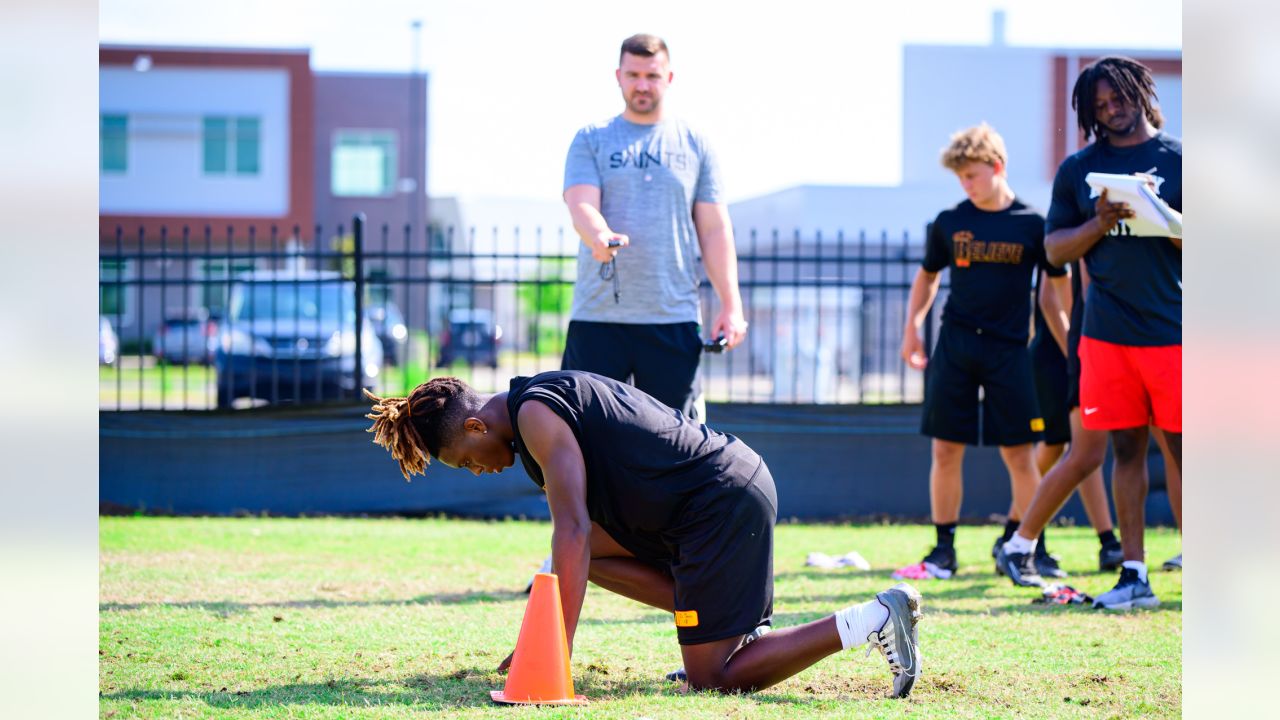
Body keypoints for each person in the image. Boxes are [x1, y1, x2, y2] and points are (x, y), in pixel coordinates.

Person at [363, 372, 924, 697]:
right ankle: (722, 625)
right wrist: (533, 643)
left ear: (476, 426)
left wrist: (551, 653)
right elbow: (584, 543)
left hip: (720, 501)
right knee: (588, 558)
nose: (477, 471)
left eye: (466, 461)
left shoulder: (535, 415)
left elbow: (575, 529)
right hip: (702, 505)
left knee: (713, 680)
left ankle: (874, 617)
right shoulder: (531, 412)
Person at [995, 56, 1181, 610]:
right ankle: (1133, 574)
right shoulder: (1080, 170)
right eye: (1098, 105)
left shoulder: (1181, 159)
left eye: (1118, 99)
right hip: (1106, 335)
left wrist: (1162, 217)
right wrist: (1100, 221)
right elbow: (1053, 249)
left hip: (1175, 330)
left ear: (1141, 93)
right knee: (1124, 452)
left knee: (1185, 451)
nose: (1110, 110)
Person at [894, 123, 1062, 581]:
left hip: (1010, 352)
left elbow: (1054, 292)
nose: (966, 185)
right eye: (960, 178)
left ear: (997, 167)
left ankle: (1029, 549)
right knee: (946, 450)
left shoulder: (1033, 224)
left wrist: (1068, 345)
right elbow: (927, 277)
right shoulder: (950, 222)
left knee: (1020, 456)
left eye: (972, 175)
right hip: (957, 345)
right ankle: (943, 550)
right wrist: (911, 328)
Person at [560, 33, 748, 421]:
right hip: (598, 318)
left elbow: (714, 230)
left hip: (672, 317)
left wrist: (732, 305)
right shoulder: (591, 139)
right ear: (618, 75)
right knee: (585, 435)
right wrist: (598, 236)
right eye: (633, 74)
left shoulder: (696, 144)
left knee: (675, 442)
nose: (642, 84)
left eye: (651, 75)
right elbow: (580, 203)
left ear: (669, 77)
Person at [1023, 263, 1124, 574]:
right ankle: (1021, 537)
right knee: (1058, 448)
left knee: (1082, 450)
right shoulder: (1067, 232)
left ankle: (1107, 541)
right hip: (1062, 358)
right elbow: (1047, 301)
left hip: (1081, 353)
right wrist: (1077, 350)